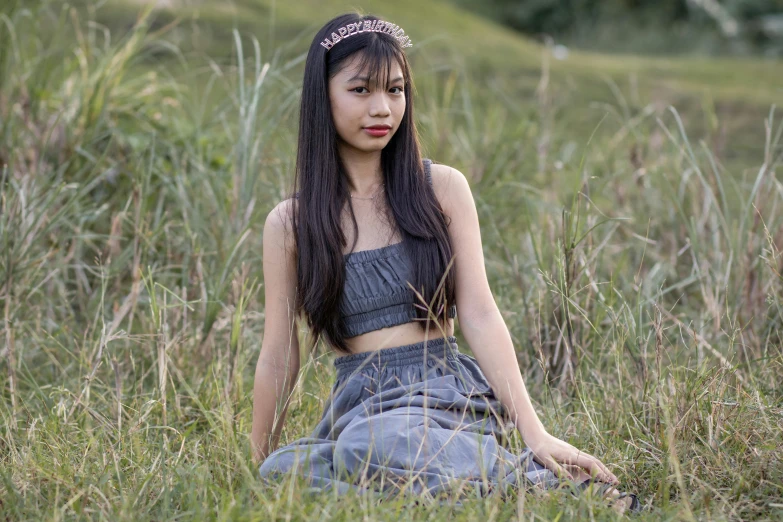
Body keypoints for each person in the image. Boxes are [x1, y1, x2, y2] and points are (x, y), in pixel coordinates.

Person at [251, 12, 641, 514]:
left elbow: (479, 312)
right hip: (357, 410)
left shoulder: (442, 190)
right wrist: (258, 463)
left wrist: (535, 431)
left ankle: (537, 482)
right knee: (284, 471)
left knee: (370, 446)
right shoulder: (291, 224)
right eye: (360, 90)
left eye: (395, 90)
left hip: (444, 395)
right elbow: (279, 355)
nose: (382, 108)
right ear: (322, 97)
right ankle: (450, 491)